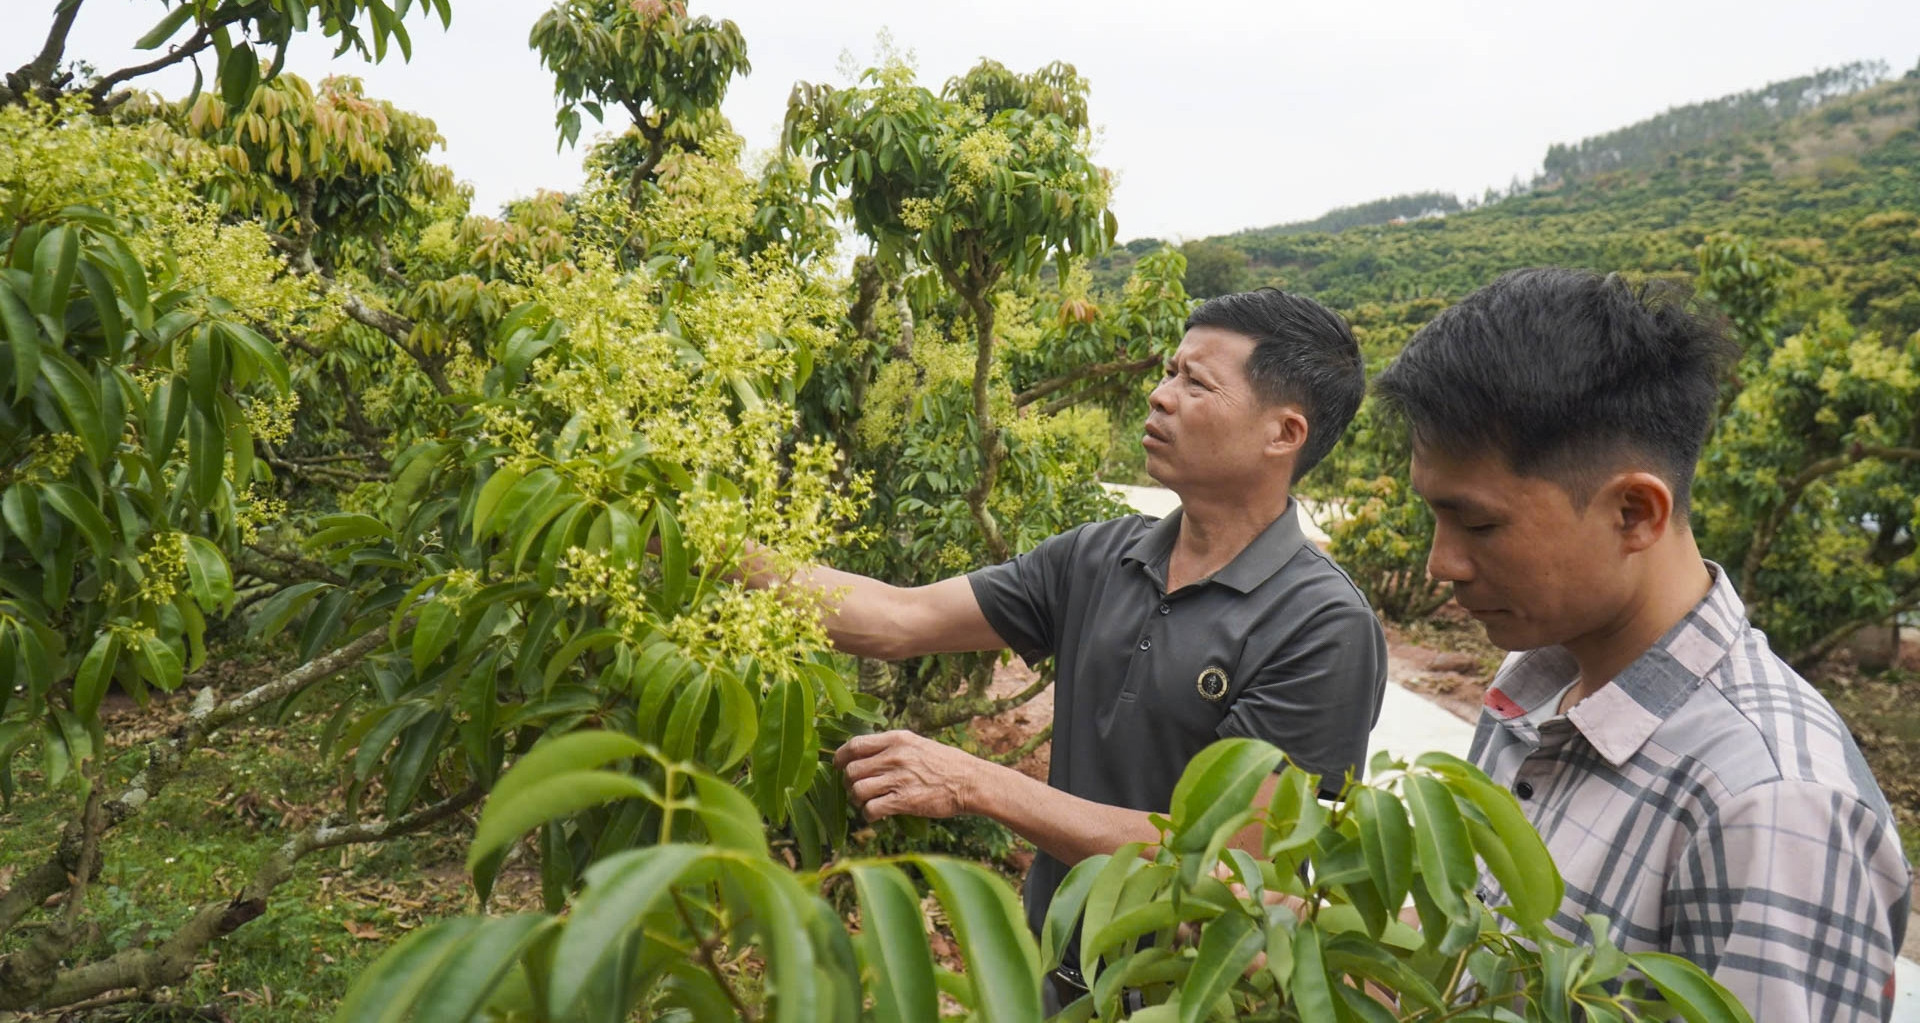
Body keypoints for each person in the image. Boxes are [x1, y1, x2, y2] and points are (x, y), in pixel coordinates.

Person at [750, 288, 1387, 1006]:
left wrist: (976, 782)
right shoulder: (1099, 555)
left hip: (1185, 1002)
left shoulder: (1322, 624)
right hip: (1050, 977)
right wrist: (704, 548)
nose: (1159, 394)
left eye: (1194, 381)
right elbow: (898, 618)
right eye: (1169, 370)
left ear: (1283, 433)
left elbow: (1230, 863)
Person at [1373, 268, 1912, 1022]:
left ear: (1634, 512)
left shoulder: (1772, 805)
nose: (1442, 563)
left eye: (1479, 524)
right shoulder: (1532, 685)